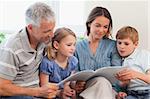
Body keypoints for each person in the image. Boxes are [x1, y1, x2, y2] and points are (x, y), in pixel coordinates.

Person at [0, 2, 58, 99]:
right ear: (30, 28)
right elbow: (1, 88)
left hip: (36, 93)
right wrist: (37, 92)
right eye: (46, 31)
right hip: (17, 96)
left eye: (52, 29)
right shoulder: (12, 48)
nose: (51, 35)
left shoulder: (43, 40)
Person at [74, 6, 122, 99]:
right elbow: (72, 73)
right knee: (100, 82)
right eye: (97, 25)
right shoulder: (77, 47)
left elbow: (117, 75)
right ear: (89, 24)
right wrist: (75, 84)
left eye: (105, 27)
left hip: (109, 91)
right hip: (86, 90)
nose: (101, 30)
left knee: (102, 82)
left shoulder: (113, 46)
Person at [40, 27, 78, 99]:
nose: (73, 48)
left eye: (74, 45)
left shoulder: (73, 61)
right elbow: (44, 86)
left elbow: (68, 83)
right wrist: (59, 93)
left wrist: (70, 89)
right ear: (56, 45)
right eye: (69, 45)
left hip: (63, 93)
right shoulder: (47, 63)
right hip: (50, 95)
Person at [116, 26, 150, 99]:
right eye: (119, 43)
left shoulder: (143, 55)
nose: (121, 46)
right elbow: (123, 86)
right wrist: (123, 87)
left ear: (135, 44)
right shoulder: (119, 60)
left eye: (126, 44)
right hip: (131, 93)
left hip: (147, 91)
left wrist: (136, 74)